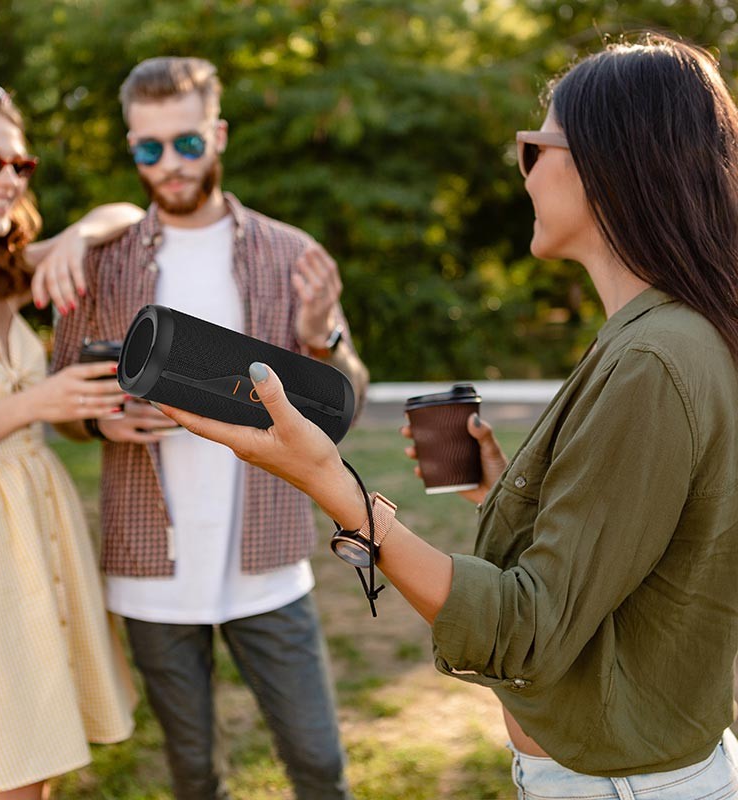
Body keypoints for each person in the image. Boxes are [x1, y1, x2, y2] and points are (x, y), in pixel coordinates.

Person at [161, 35, 738, 799]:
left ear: (608, 162)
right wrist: (499, 489)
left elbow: (525, 628)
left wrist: (330, 484)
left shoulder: (655, 360)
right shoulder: (664, 336)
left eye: (536, 147)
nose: (523, 171)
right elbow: (622, 555)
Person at [50, 56, 369, 800]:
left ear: (218, 134)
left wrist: (322, 336)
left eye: (187, 143)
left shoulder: (290, 255)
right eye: (148, 148)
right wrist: (100, 429)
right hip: (149, 570)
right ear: (132, 148)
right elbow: (63, 407)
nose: (168, 164)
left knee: (320, 766)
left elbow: (345, 401)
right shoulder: (100, 265)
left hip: (268, 563)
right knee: (194, 776)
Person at [0, 83, 139, 799]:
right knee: (6, 769)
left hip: (32, 539)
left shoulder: (2, 273)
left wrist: (80, 236)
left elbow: (127, 213)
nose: (8, 180)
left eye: (21, 166)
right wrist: (33, 405)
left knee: (40, 761)